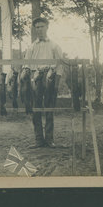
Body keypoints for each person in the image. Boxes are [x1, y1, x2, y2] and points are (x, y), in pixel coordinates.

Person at [24, 17, 63, 149]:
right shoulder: (31, 47)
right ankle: (39, 140)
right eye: (37, 27)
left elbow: (60, 66)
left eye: (42, 27)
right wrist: (28, 81)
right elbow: (26, 66)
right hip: (36, 79)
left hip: (49, 78)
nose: (39, 30)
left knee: (49, 109)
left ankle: (49, 139)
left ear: (47, 27)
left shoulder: (54, 46)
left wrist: (56, 83)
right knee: (36, 110)